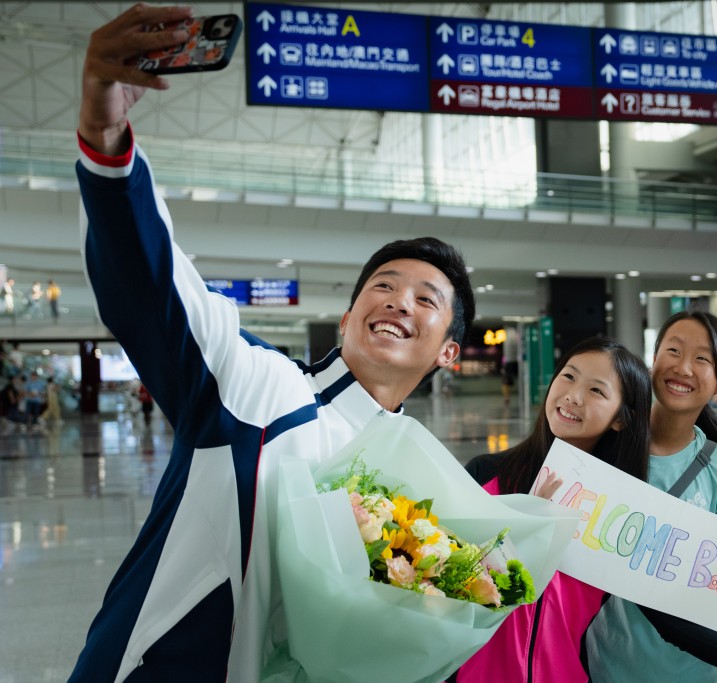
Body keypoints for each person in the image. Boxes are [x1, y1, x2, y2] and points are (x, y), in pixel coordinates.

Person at [70, 5, 476, 681]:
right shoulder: (258, 385)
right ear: (348, 317)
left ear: (449, 351)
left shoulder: (419, 484)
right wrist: (105, 137)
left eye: (426, 300)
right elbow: (155, 288)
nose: (399, 300)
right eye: (384, 284)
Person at [456, 337, 717, 683]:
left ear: (621, 418)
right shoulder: (486, 474)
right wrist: (525, 528)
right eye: (568, 377)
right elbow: (444, 580)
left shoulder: (615, 510)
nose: (573, 396)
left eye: (596, 390)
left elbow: (665, 611)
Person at [585, 311, 717, 683]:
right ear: (654, 360)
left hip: (689, 666)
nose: (683, 367)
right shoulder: (608, 443)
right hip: (602, 661)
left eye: (702, 359)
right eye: (673, 350)